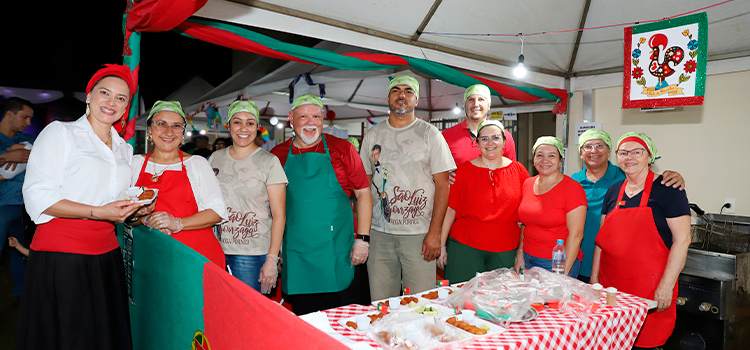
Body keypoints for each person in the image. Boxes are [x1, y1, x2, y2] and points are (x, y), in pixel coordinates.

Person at [20, 64, 148, 349]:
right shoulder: (61, 134)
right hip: (62, 254)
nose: (111, 102)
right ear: (89, 96)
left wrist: (134, 210)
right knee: (69, 336)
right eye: (105, 93)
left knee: (103, 336)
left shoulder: (124, 149)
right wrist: (99, 212)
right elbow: (38, 195)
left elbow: (113, 201)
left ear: (126, 107)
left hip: (107, 254)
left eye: (121, 98)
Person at [270, 94, 372, 315]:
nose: (310, 122)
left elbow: (363, 194)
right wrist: (274, 250)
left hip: (339, 251)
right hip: (297, 254)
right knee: (306, 323)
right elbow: (271, 208)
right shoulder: (276, 156)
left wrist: (363, 240)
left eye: (316, 116)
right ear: (290, 118)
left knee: (345, 321)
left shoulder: (343, 149)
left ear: (323, 119)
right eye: (303, 116)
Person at [359, 75, 456, 301]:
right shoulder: (373, 135)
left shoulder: (430, 134)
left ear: (416, 100)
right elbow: (363, 187)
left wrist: (435, 234)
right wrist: (363, 235)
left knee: (421, 303)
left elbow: (443, 185)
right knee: (381, 303)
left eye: (408, 92)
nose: (401, 95)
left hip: (419, 235)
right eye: (396, 91)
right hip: (379, 234)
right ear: (388, 98)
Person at [591, 132, 690, 350]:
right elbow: (601, 241)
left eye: (637, 152)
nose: (630, 158)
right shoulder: (613, 191)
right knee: (610, 342)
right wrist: (594, 279)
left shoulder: (669, 190)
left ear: (649, 156)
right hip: (612, 289)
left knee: (644, 344)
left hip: (649, 288)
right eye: (623, 153)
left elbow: (682, 240)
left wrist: (666, 286)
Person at [571, 129, 685, 282]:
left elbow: (682, 239)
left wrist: (675, 177)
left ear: (610, 151)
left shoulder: (624, 174)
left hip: (645, 272)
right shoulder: (573, 182)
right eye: (587, 146)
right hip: (583, 262)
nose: (594, 151)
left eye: (600, 145)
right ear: (580, 153)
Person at [131, 101, 227, 267]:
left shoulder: (197, 164)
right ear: (149, 130)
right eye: (161, 124)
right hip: (151, 257)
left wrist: (177, 223)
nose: (169, 131)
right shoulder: (134, 164)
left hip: (196, 256)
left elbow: (217, 212)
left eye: (176, 126)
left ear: (183, 134)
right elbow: (125, 215)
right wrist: (144, 219)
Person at [209, 100, 287, 294]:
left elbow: (279, 215)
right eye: (237, 122)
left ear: (257, 127)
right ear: (229, 125)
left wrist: (272, 259)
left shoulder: (269, 162)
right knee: (220, 310)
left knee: (247, 315)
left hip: (253, 254)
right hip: (217, 250)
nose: (243, 128)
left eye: (250, 123)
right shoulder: (214, 158)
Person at [438, 120, 529, 283]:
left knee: (501, 302)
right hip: (464, 247)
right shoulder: (463, 171)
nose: (490, 143)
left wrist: (521, 252)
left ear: (504, 142)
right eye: (484, 139)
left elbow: (527, 218)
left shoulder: (519, 171)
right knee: (462, 299)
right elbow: (451, 210)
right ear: (477, 143)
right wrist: (442, 246)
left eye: (495, 137)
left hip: (506, 247)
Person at [514, 136, 587, 277]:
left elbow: (576, 235)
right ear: (534, 160)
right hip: (528, 260)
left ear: (560, 161)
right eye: (539, 155)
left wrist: (562, 273)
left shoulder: (572, 188)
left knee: (553, 300)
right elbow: (526, 224)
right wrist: (520, 253)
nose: (545, 160)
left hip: (555, 263)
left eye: (551, 155)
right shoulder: (528, 184)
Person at [0, 97, 35, 302]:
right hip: (2, 206)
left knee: (21, 250)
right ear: (10, 114)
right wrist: (6, 156)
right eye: (25, 117)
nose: (28, 122)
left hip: (25, 207)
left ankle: (21, 294)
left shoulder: (28, 140)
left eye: (31, 118)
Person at [442, 84, 516, 167]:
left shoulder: (503, 136)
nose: (476, 104)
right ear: (464, 105)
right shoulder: (446, 136)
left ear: (488, 106)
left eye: (481, 99)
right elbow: (437, 168)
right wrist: (445, 175)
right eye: (471, 99)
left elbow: (512, 171)